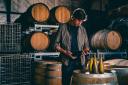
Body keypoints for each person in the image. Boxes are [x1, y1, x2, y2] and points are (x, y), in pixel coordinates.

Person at [54, 8, 89, 85]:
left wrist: (85, 51)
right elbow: (55, 45)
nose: (80, 23)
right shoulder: (63, 27)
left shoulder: (83, 30)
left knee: (80, 83)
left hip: (80, 61)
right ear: (73, 18)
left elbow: (87, 47)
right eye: (79, 20)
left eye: (82, 21)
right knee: (66, 82)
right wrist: (65, 52)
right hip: (67, 62)